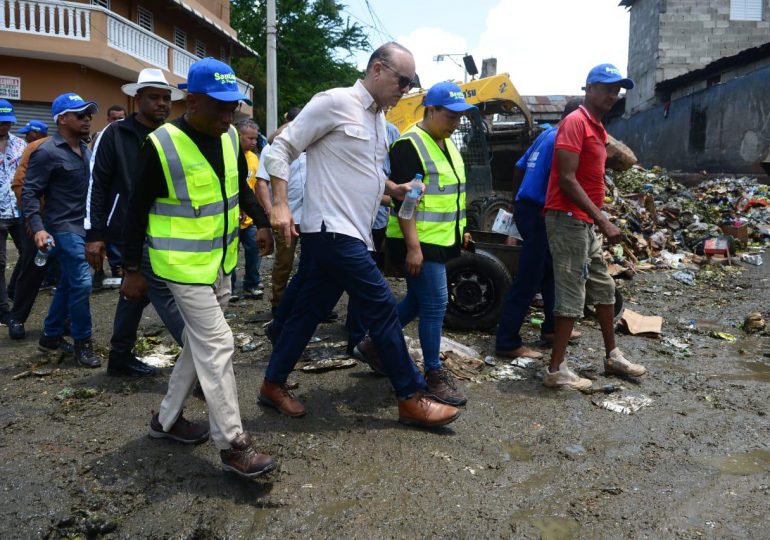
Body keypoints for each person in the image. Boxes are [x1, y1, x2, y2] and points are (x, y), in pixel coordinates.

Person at [261, 42, 460, 428]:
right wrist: (280, 204)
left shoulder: (377, 121)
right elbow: (280, 148)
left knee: (306, 314)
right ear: (377, 70)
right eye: (402, 80)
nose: (406, 89)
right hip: (331, 230)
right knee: (383, 305)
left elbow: (363, 173)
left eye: (411, 82)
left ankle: (272, 383)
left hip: (354, 232)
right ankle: (410, 394)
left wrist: (394, 189)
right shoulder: (334, 102)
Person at [121, 57, 276, 478]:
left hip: (219, 263)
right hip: (179, 267)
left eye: (233, 108)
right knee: (219, 345)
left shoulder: (228, 139)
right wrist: (132, 269)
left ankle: (165, 421)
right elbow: (135, 211)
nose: (228, 116)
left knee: (199, 346)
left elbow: (236, 190)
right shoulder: (161, 144)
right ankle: (232, 444)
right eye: (219, 107)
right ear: (191, 101)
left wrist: (261, 222)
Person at [543, 64, 647, 390]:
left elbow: (589, 178)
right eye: (605, 87)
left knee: (604, 288)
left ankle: (612, 356)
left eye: (616, 89)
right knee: (572, 293)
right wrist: (603, 219)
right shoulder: (575, 122)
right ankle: (555, 369)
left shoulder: (599, 129)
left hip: (585, 221)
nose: (612, 95)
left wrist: (601, 211)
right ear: (588, 88)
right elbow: (566, 179)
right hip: (567, 219)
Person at [372, 81, 474, 407]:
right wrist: (414, 247)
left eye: (461, 116)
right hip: (417, 241)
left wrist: (463, 229)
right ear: (432, 110)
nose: (456, 121)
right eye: (451, 115)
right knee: (435, 304)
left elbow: (452, 194)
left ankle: (375, 345)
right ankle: (433, 373)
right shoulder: (408, 145)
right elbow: (407, 201)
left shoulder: (447, 144)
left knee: (418, 302)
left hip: (441, 239)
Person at [85, 68, 186, 377]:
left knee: (135, 291)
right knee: (165, 292)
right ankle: (202, 356)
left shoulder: (172, 135)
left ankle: (120, 356)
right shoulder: (114, 134)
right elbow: (97, 184)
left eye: (166, 98)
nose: (162, 104)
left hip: (168, 226)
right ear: (137, 99)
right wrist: (94, 233)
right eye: (154, 97)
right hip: (130, 228)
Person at [495, 99, 583, 360]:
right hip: (540, 213)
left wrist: (516, 200)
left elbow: (519, 167)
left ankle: (552, 329)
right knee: (529, 278)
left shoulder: (546, 135)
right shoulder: (562, 140)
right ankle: (507, 341)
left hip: (527, 208)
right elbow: (567, 181)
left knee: (548, 272)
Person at [22, 93, 102, 367]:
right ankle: (83, 342)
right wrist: (38, 229)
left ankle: (51, 335)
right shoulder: (46, 151)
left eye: (89, 114)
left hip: (85, 226)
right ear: (62, 119)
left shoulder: (87, 151)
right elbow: (30, 192)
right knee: (82, 282)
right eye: (80, 114)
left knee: (69, 283)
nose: (87, 119)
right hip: (62, 227)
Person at [254, 107, 305, 319]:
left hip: (311, 215)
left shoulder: (310, 146)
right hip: (286, 216)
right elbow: (261, 183)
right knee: (284, 261)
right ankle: (279, 304)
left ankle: (307, 304)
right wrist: (270, 209)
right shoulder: (274, 147)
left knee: (311, 263)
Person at [7, 129, 52, 339]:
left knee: (71, 277)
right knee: (32, 268)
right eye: (80, 116)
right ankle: (17, 318)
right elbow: (21, 185)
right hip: (38, 223)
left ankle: (66, 323)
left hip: (68, 225)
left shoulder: (82, 151)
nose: (86, 120)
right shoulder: (37, 149)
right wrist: (32, 219)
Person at [229, 118, 264, 299]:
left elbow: (257, 187)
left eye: (255, 139)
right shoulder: (229, 155)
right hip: (232, 217)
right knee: (231, 255)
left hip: (250, 218)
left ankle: (251, 283)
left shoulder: (254, 159)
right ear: (239, 135)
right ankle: (231, 288)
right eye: (249, 138)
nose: (253, 142)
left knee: (253, 250)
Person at [0, 99, 26, 325]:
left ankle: (13, 289)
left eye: (8, 122)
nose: (4, 126)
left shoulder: (21, 145)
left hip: (19, 211)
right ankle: (2, 309)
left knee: (29, 254)